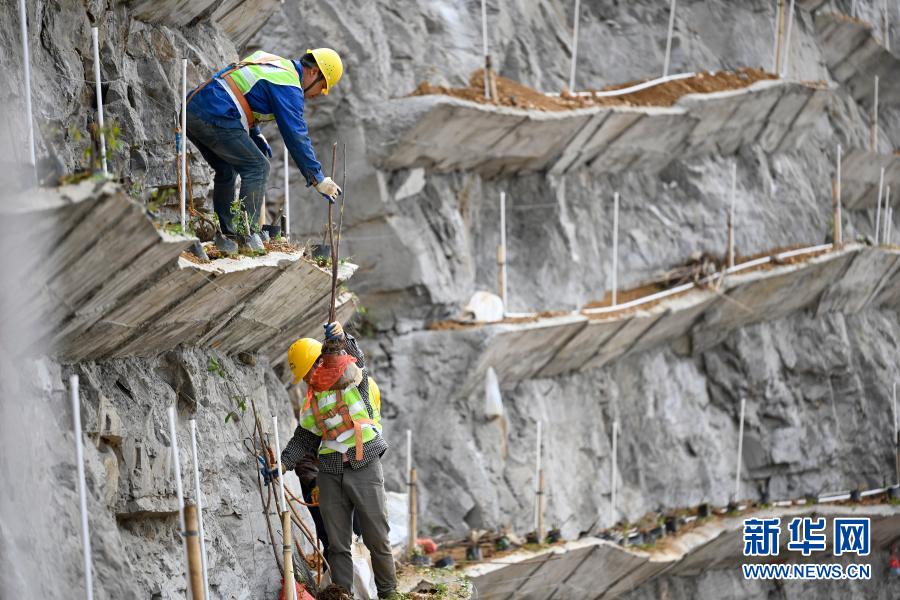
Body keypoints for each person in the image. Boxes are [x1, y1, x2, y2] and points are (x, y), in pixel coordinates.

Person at [279, 323, 398, 599]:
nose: (308, 380)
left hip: (363, 463)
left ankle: (389, 593)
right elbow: (304, 438)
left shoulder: (353, 378)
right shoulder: (312, 401)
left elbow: (358, 357)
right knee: (336, 544)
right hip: (330, 470)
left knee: (377, 537)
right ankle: (342, 595)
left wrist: (343, 338)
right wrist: (281, 465)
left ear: (319, 363)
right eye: (305, 376)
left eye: (308, 372)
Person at [185, 48, 344, 253]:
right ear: (314, 73)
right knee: (258, 167)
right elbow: (296, 134)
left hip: (194, 108)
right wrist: (317, 177)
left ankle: (229, 234)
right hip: (215, 113)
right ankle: (247, 235)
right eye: (322, 87)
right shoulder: (289, 84)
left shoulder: (272, 62)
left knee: (227, 169)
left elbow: (240, 92)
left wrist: (254, 133)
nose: (316, 95)